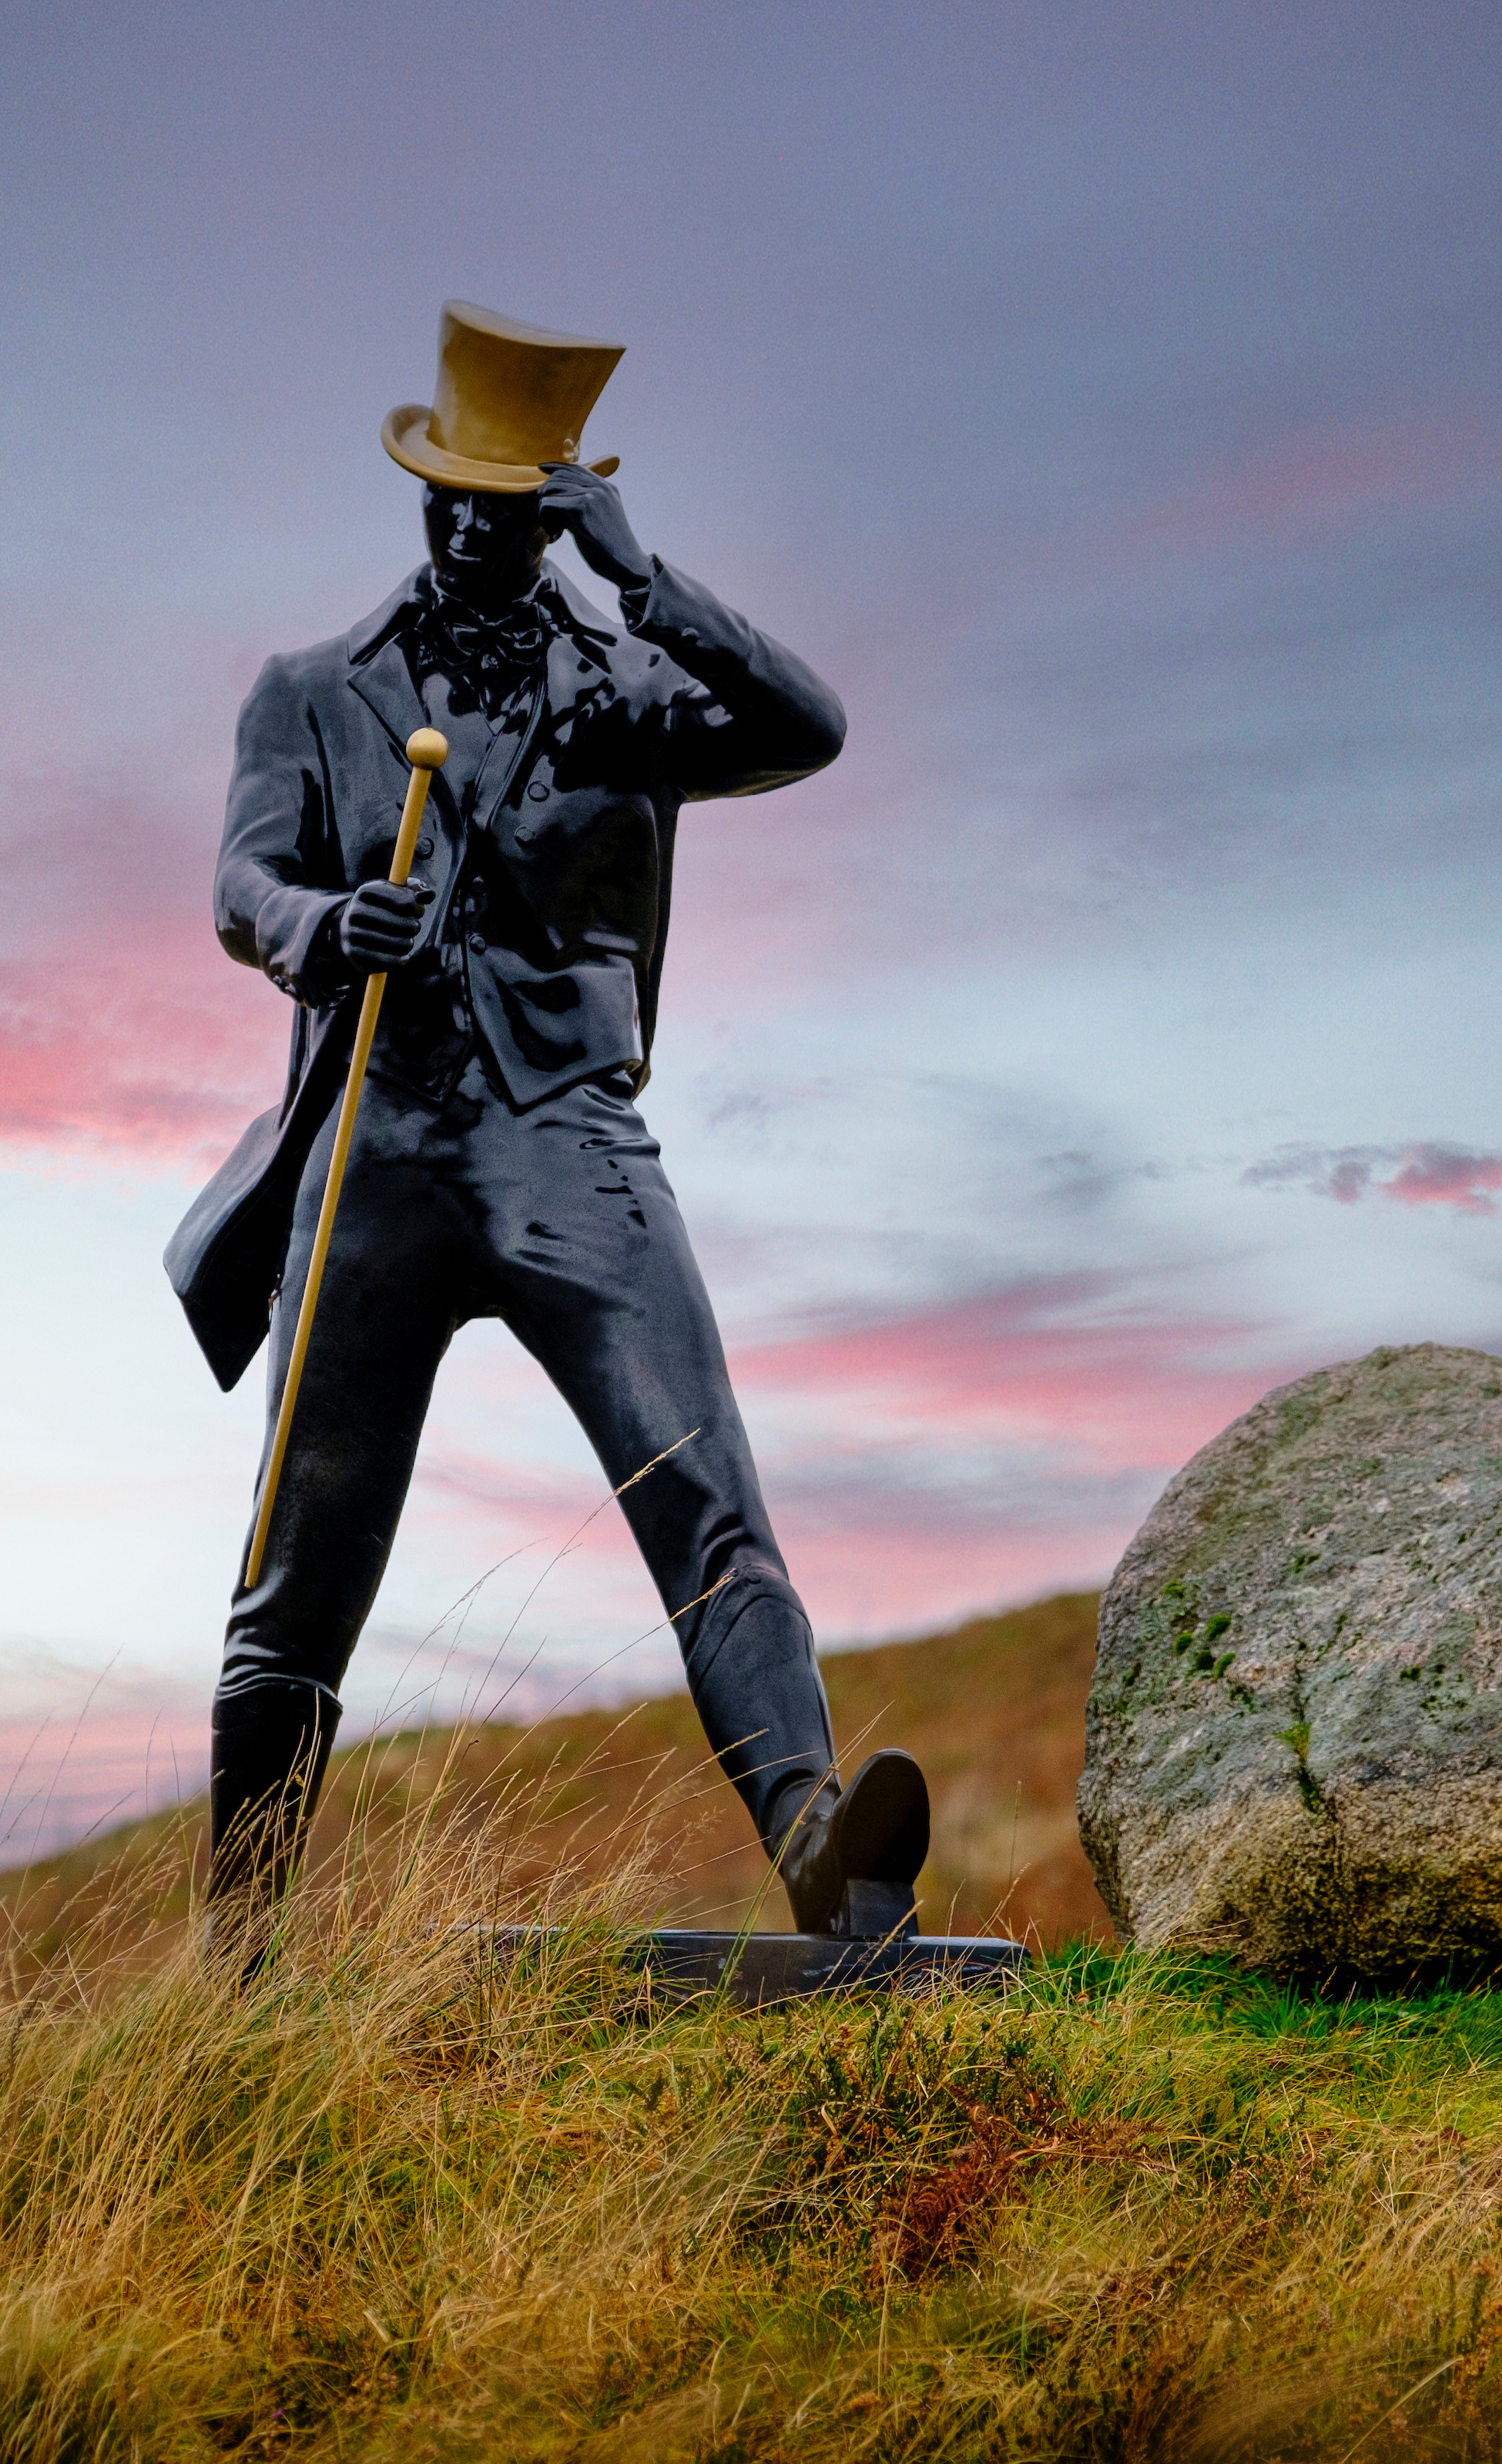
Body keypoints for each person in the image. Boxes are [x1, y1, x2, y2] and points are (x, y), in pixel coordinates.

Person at [166, 301, 926, 1953]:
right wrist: (318, 929)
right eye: (444, 498)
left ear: (552, 520)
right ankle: (240, 1947)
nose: (463, 530)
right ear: (416, 497)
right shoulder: (309, 692)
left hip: (572, 1142)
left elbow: (808, 726)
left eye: (503, 511)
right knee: (306, 1555)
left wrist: (644, 579)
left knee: (703, 1486)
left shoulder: (630, 689)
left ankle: (818, 1846)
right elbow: (241, 883)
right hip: (375, 1143)